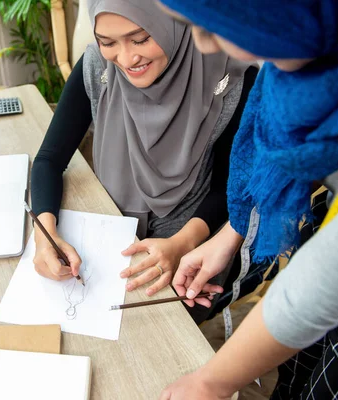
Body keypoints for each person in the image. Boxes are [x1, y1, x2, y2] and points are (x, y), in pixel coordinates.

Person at [153, 1, 338, 399]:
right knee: (296, 370)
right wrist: (230, 236)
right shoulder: (312, 49)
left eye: (218, 25)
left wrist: (212, 381)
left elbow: (326, 282)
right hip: (332, 252)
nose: (204, 44)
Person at [30, 0, 257, 323]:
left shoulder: (230, 76)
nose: (126, 58)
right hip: (110, 238)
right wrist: (44, 236)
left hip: (194, 247)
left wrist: (179, 244)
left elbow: (228, 189)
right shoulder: (98, 66)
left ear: (172, 22)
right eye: (108, 42)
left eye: (140, 39)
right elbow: (49, 160)